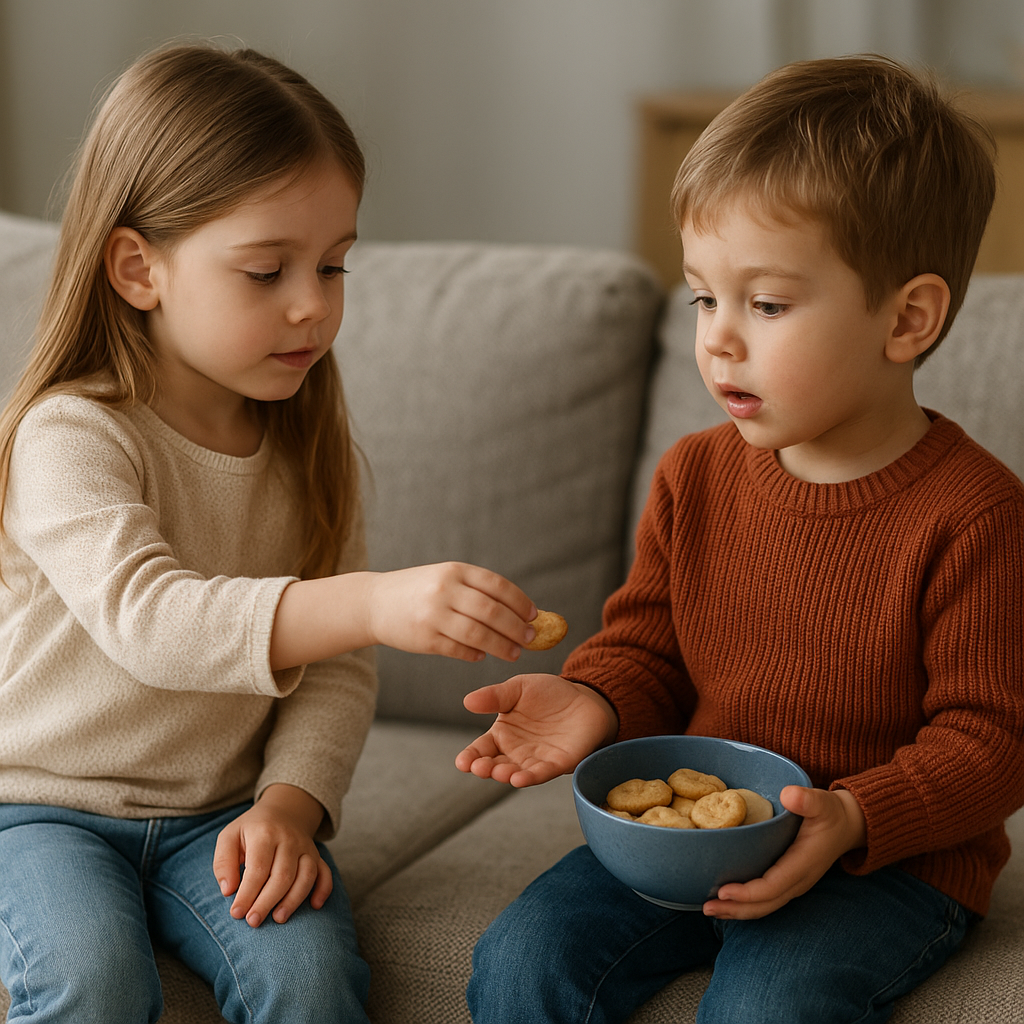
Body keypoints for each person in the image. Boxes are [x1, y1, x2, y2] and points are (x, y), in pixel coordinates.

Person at [456, 55, 1024, 1024]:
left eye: (763, 303)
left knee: (765, 1008)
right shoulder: (694, 475)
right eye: (702, 297)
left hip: (880, 865)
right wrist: (592, 696)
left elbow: (994, 739)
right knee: (519, 960)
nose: (717, 338)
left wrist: (854, 816)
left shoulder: (976, 514)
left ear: (907, 317)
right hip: (685, 844)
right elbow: (647, 648)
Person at [0, 44, 540, 1024]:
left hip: (222, 810)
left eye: (334, 265)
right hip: (38, 806)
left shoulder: (302, 447)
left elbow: (334, 670)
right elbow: (150, 620)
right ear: (137, 268)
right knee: (92, 979)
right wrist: (372, 601)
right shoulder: (70, 433)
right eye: (266, 270)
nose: (313, 304)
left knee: (310, 977)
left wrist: (290, 802)